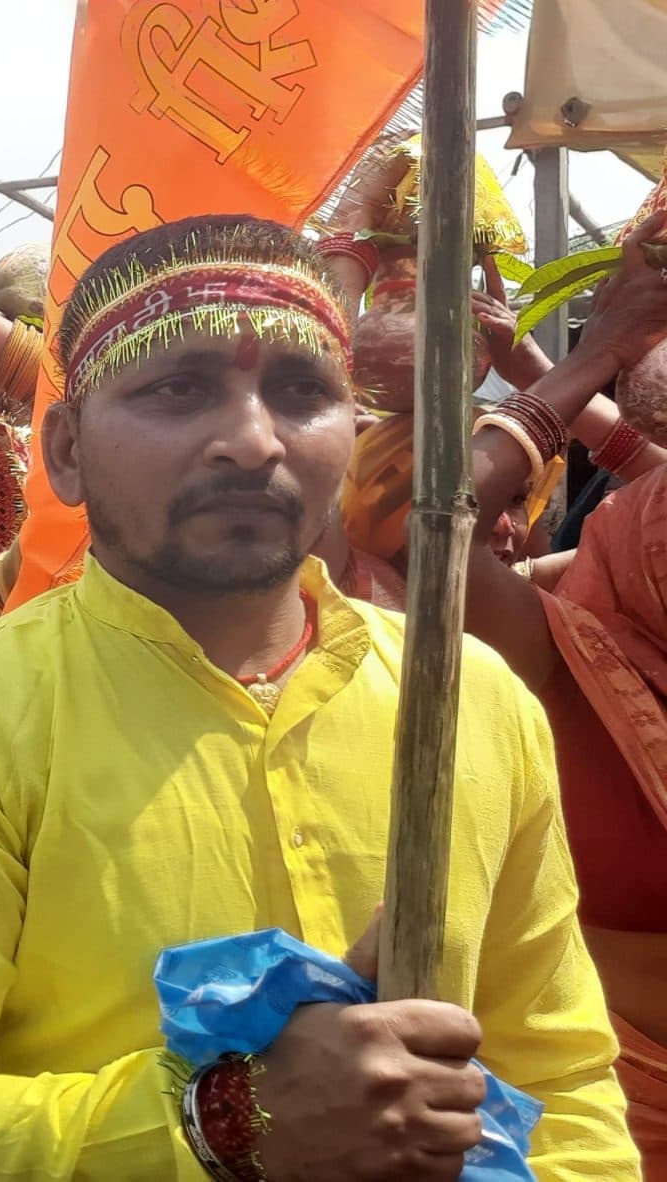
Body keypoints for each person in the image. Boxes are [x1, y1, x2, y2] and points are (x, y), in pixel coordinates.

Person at [0, 215, 638, 1178]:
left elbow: (564, 1077)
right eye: (178, 388)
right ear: (68, 451)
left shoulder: (469, 701)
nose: (252, 442)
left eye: (301, 392)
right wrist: (220, 1120)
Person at [445, 208, 667, 1170]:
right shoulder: (604, 608)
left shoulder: (586, 660)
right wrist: (547, 367)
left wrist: (586, 360)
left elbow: (417, 528)